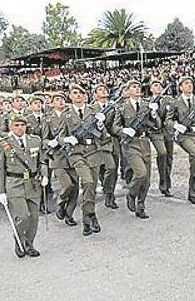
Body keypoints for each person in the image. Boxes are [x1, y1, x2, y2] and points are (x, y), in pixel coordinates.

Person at [0, 113, 49, 259]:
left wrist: (45, 175)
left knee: (34, 218)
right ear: (11, 127)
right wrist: (1, 191)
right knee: (23, 216)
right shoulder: (3, 143)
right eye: (16, 125)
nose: (20, 128)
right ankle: (19, 240)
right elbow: (0, 168)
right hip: (14, 184)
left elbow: (42, 161)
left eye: (22, 125)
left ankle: (30, 244)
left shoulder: (35, 140)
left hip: (33, 184)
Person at [59, 84, 105, 235]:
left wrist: (99, 124)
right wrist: (67, 139)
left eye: (81, 93)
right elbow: (59, 136)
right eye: (74, 93)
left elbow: (103, 134)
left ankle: (86, 221)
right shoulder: (66, 115)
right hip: (77, 153)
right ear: (70, 96)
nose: (78, 95)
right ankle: (92, 214)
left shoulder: (94, 112)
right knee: (88, 181)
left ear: (85, 96)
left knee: (90, 187)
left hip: (93, 152)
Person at [116, 80, 160, 219]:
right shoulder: (122, 108)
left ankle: (141, 206)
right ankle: (131, 193)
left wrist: (154, 114)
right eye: (133, 87)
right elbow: (114, 127)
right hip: (131, 144)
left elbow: (157, 125)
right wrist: (124, 130)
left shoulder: (147, 105)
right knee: (140, 173)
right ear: (127, 91)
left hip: (144, 142)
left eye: (138, 87)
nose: (136, 89)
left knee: (146, 180)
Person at [169, 76, 195, 204]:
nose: (189, 85)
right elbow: (168, 120)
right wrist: (176, 126)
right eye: (186, 83)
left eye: (191, 83)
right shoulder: (175, 103)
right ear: (180, 87)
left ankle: (192, 194)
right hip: (184, 135)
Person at [43, 91, 79, 227]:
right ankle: (61, 201)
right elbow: (44, 139)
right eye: (57, 99)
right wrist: (50, 142)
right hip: (57, 158)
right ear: (52, 103)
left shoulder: (71, 115)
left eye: (62, 99)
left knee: (75, 189)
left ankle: (69, 215)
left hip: (72, 155)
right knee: (67, 185)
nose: (60, 101)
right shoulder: (48, 118)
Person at [148, 78, 175, 197]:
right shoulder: (147, 102)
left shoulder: (168, 100)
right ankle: (163, 184)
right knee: (162, 153)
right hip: (155, 132)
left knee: (168, 159)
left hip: (167, 131)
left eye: (159, 85)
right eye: (155, 85)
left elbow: (173, 113)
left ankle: (166, 185)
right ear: (150, 89)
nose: (157, 87)